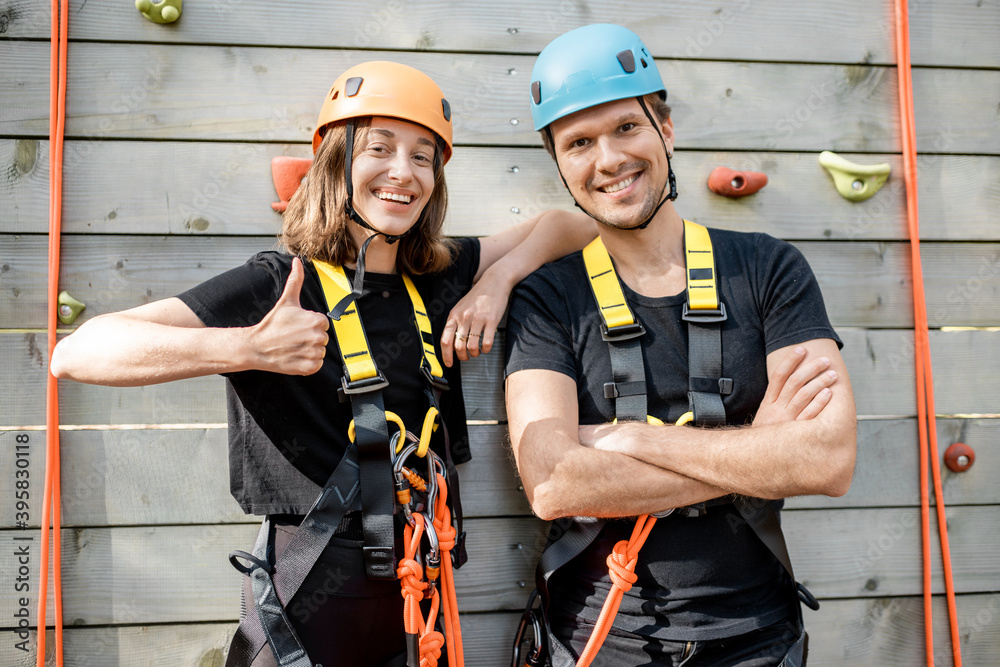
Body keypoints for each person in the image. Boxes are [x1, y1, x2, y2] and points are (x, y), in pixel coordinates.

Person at [50, 61, 595, 667]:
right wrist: (248, 348)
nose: (402, 173)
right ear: (336, 162)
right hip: (310, 589)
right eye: (379, 149)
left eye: (423, 157)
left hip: (421, 583)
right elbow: (79, 351)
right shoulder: (280, 283)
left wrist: (497, 282)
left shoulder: (441, 273)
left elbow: (569, 226)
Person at [504, 25, 857, 667]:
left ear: (664, 128)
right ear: (559, 163)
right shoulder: (547, 298)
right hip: (597, 643)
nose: (607, 160)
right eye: (578, 143)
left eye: (625, 129)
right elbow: (554, 483)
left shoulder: (767, 269)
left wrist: (631, 439)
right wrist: (761, 445)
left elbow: (826, 459)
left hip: (760, 641)